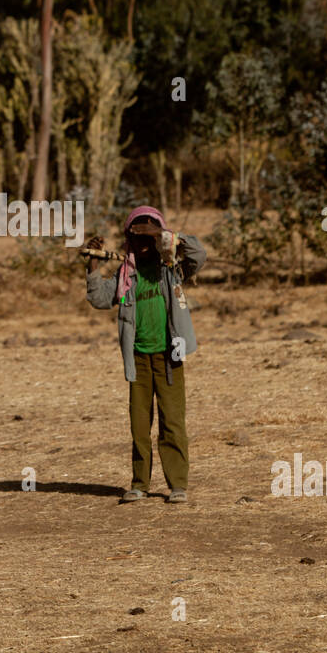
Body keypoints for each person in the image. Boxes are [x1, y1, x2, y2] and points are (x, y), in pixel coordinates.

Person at [85, 206, 206, 504]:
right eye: (136, 236)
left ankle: (177, 484)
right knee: (139, 425)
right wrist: (92, 265)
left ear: (158, 238)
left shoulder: (172, 270)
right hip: (138, 359)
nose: (142, 242)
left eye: (148, 235)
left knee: (172, 422)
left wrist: (163, 235)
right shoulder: (127, 275)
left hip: (169, 357)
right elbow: (100, 298)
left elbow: (198, 254)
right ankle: (139, 483)